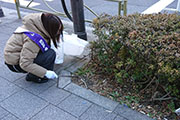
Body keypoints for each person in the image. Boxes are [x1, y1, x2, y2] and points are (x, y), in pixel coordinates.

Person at [4, 12, 63, 83]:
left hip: (17, 56)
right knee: (50, 54)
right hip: (15, 64)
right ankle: (33, 76)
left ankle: (39, 72)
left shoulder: (37, 25)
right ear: (49, 28)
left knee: (47, 53)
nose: (59, 32)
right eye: (58, 30)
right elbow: (25, 64)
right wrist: (46, 73)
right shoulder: (33, 39)